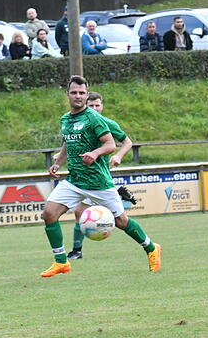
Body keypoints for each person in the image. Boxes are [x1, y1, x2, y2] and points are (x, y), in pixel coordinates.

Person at [40, 75, 161, 278]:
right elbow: (68, 144)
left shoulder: (93, 118)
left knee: (122, 221)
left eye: (81, 93)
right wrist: (58, 162)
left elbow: (111, 145)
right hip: (75, 180)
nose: (77, 96)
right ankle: (61, 262)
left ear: (86, 95)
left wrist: (95, 153)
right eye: (74, 92)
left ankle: (151, 248)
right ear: (67, 94)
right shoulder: (65, 119)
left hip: (98, 183)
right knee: (49, 214)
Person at [59, 92, 137, 261]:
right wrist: (60, 158)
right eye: (92, 105)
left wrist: (118, 156)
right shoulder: (79, 121)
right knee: (80, 211)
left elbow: (127, 142)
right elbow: (68, 140)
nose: (95, 108)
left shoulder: (107, 123)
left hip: (100, 178)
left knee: (118, 220)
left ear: (102, 106)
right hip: (85, 179)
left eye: (98, 105)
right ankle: (76, 250)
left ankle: (76, 250)